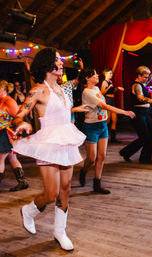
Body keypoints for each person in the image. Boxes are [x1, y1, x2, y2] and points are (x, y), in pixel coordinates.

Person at [12, 47, 88, 251]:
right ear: (48, 64)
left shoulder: (63, 89)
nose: (62, 62)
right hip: (48, 143)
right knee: (52, 193)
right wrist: (22, 123)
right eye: (57, 59)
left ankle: (60, 232)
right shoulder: (38, 90)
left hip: (66, 140)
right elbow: (20, 114)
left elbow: (65, 113)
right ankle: (29, 211)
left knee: (66, 189)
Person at [78, 68, 135, 194]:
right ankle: (83, 171)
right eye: (94, 74)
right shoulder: (87, 92)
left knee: (102, 156)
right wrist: (124, 111)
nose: (97, 75)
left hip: (102, 125)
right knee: (91, 158)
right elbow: (104, 106)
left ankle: (97, 183)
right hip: (91, 127)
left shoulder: (97, 89)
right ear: (88, 78)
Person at [119, 66, 152, 164]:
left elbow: (147, 80)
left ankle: (144, 158)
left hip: (145, 113)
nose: (146, 79)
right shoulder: (136, 86)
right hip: (138, 113)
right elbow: (140, 97)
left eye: (147, 77)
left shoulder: (141, 83)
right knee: (144, 136)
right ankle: (127, 153)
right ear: (139, 76)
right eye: (145, 77)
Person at [0, 80, 29, 191]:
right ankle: (22, 181)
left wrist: (19, 132)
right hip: (3, 133)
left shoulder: (8, 101)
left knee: (1, 157)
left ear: (4, 90)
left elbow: (18, 117)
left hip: (7, 133)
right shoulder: (1, 101)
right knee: (12, 157)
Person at [101, 68, 124, 143]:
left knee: (114, 119)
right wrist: (108, 87)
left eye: (112, 73)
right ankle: (102, 136)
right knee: (108, 120)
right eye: (110, 73)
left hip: (112, 100)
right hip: (108, 100)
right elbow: (102, 93)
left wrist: (117, 88)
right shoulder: (104, 82)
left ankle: (113, 138)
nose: (111, 74)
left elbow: (112, 91)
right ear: (105, 74)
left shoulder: (110, 81)